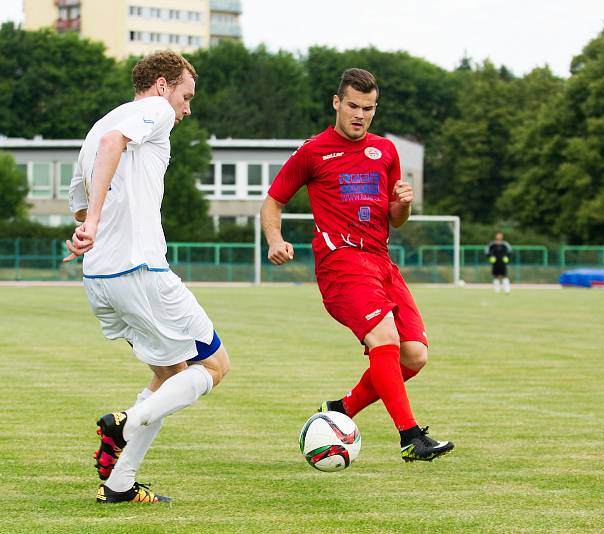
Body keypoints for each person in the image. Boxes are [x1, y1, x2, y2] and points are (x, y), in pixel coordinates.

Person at [260, 68, 453, 463]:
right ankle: (410, 437)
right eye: (352, 106)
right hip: (340, 262)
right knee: (384, 339)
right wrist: (275, 239)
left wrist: (405, 202)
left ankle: (341, 409)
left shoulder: (385, 151)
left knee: (414, 356)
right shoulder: (313, 151)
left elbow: (396, 220)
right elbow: (273, 202)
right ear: (336, 102)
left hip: (381, 260)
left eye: (368, 108)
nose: (360, 115)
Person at [64, 50, 230, 504]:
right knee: (214, 366)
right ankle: (124, 422)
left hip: (101, 278)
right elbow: (114, 146)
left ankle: (119, 484)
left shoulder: (94, 129)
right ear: (161, 85)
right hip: (141, 270)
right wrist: (95, 222)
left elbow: (79, 200)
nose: (186, 109)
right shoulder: (150, 111)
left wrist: (85, 228)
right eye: (185, 96)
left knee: (170, 374)